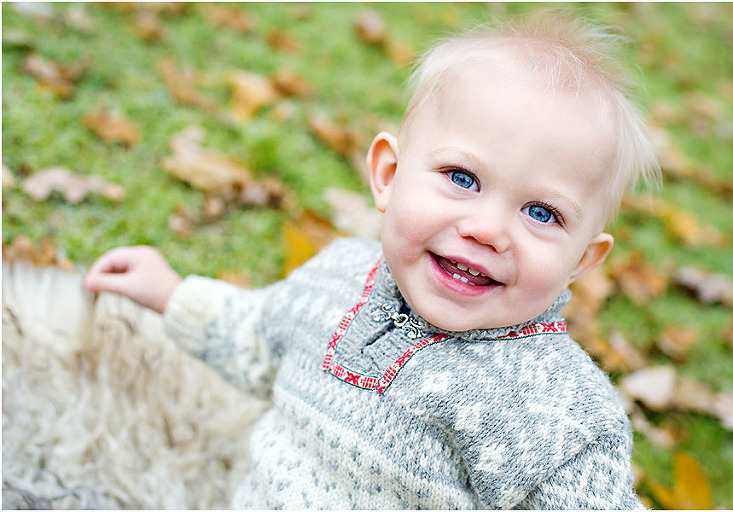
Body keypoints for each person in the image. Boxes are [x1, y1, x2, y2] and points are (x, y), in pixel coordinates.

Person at [84, 10, 659, 509]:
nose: (487, 230)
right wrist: (172, 293)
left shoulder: (559, 413)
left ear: (582, 261)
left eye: (541, 213)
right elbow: (258, 337)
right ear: (388, 175)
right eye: (462, 178)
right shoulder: (334, 278)